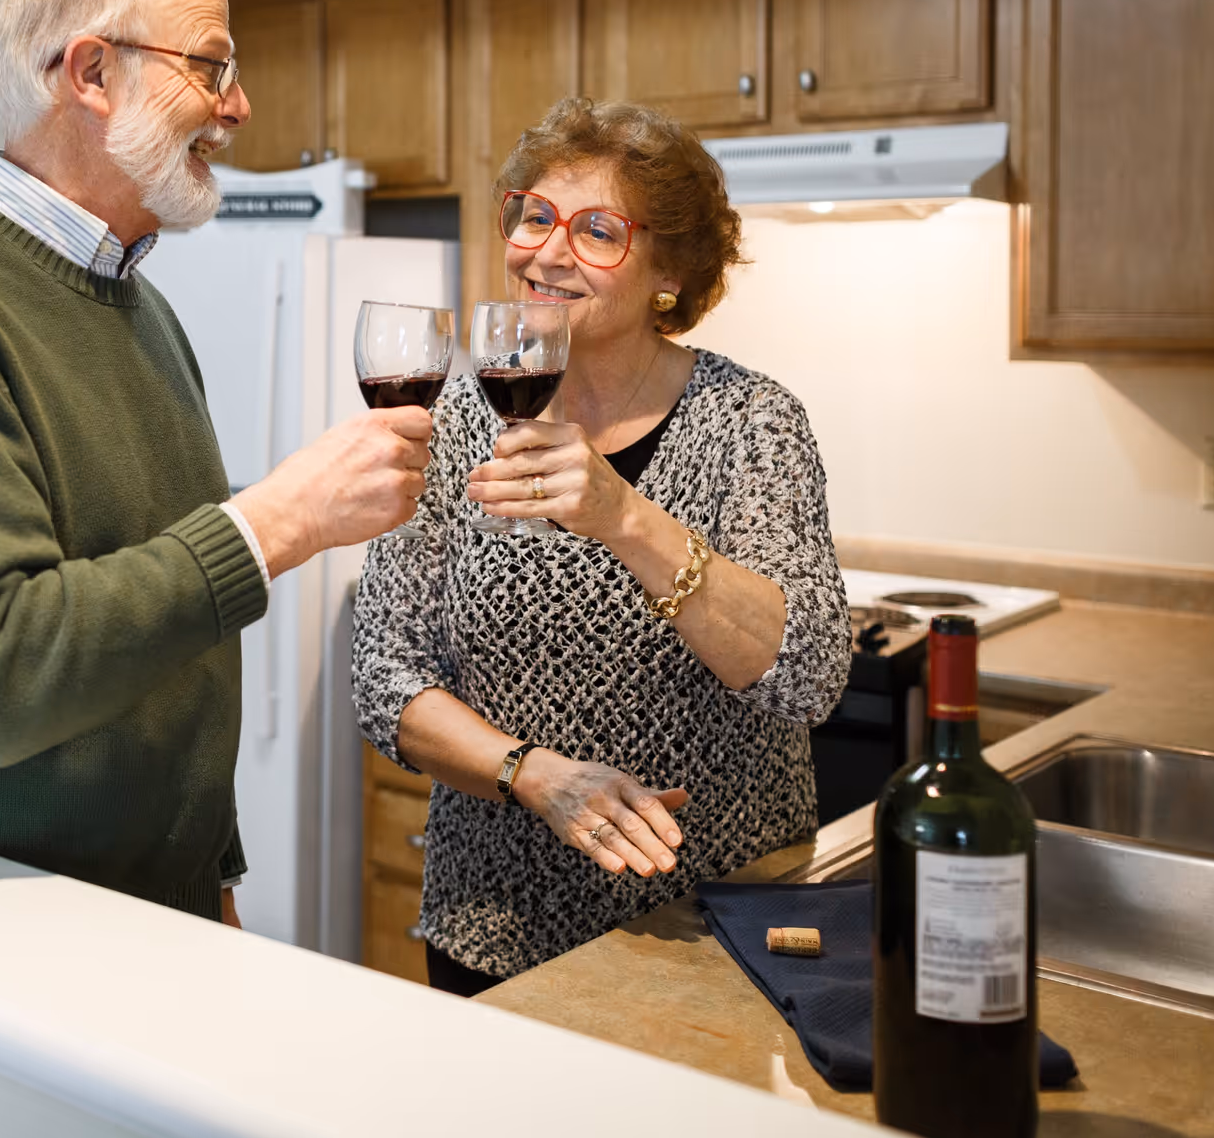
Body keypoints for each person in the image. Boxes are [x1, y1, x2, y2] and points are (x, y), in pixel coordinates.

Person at [0, 0, 432, 927]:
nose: (238, 106)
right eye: (210, 67)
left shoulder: (141, 307)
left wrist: (211, 870)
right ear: (91, 73)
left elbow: (168, 658)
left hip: (149, 911)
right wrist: (277, 522)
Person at [353, 98, 849, 995]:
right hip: (492, 921)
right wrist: (534, 776)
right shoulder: (457, 416)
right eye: (535, 216)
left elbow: (807, 676)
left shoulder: (752, 422)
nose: (547, 251)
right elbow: (386, 676)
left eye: (597, 231)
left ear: (671, 269)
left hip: (715, 927)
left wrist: (624, 515)